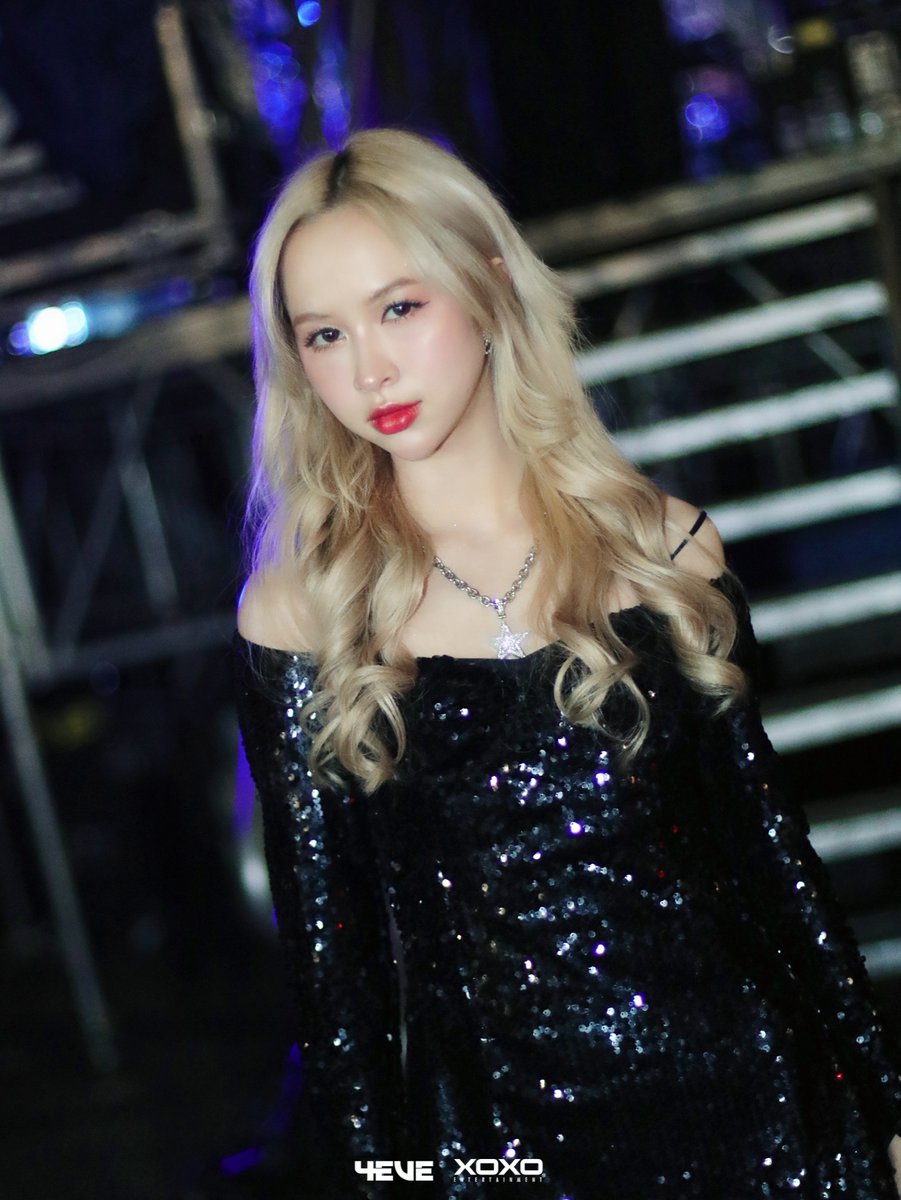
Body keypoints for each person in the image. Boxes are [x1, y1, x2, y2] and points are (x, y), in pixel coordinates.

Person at [233, 128, 901, 1199]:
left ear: (489, 285)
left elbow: (771, 860)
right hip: (502, 1149)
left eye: (399, 308)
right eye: (323, 334)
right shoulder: (304, 612)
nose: (368, 369)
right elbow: (334, 976)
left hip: (763, 1113)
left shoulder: (663, 551)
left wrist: (884, 1107)